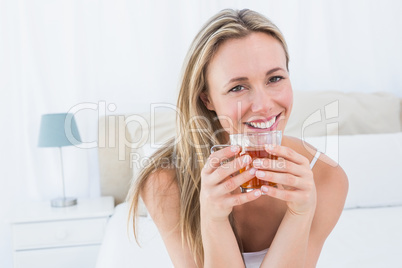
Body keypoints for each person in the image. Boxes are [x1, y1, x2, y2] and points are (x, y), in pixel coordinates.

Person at [128, 8, 348, 268]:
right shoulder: (164, 182)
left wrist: (300, 214)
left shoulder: (325, 178)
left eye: (275, 78)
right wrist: (213, 220)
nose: (264, 105)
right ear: (207, 98)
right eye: (238, 87)